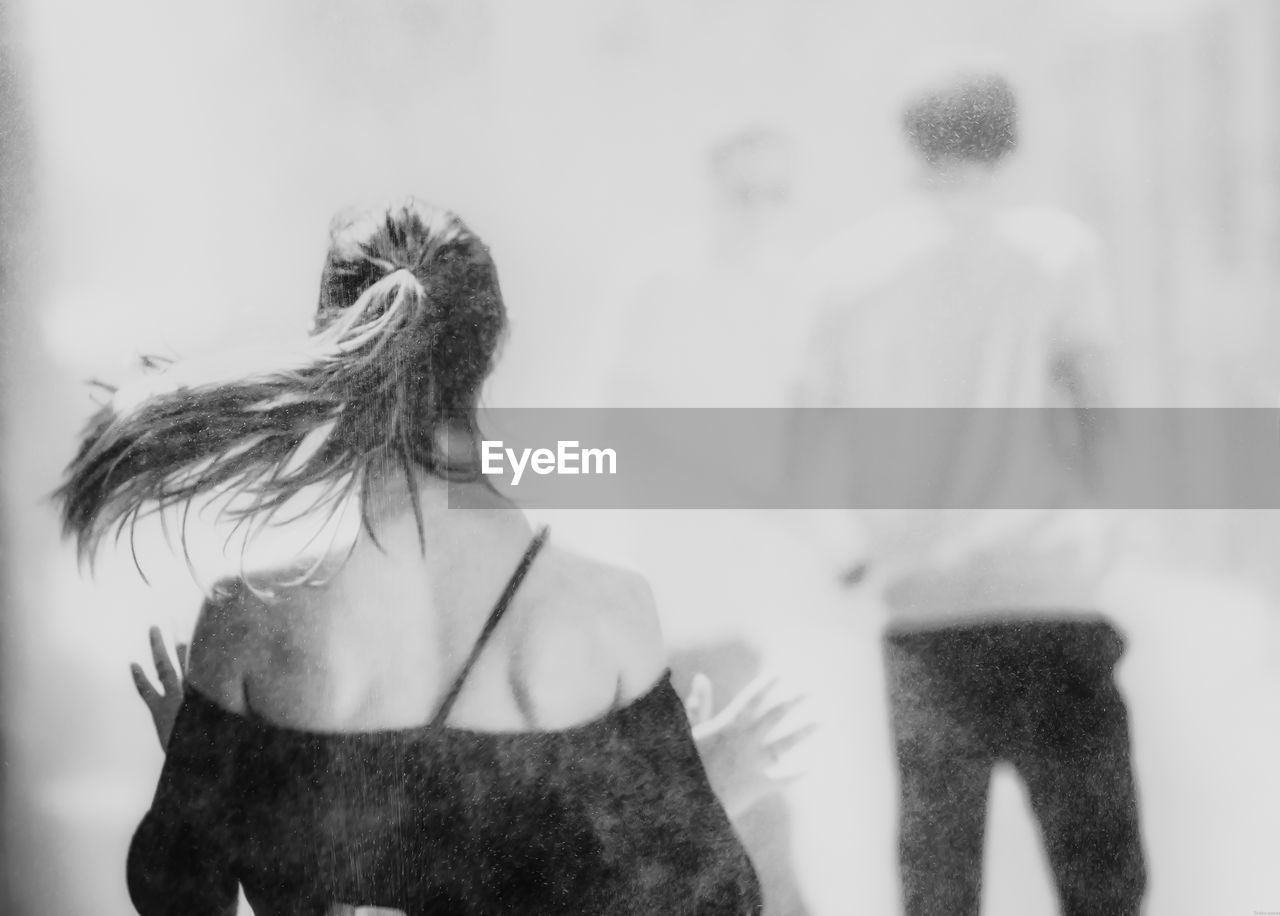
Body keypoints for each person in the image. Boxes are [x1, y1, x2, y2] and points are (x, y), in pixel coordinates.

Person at [57, 199, 768, 915]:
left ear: (330, 347)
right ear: (495, 344)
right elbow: (705, 905)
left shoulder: (249, 624)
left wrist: (203, 768)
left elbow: (182, 898)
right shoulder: (608, 617)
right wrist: (689, 801)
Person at [794, 71, 1146, 915]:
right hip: (1050, 596)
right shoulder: (1060, 251)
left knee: (941, 877)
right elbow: (1102, 414)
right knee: (1101, 879)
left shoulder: (847, 267)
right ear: (1011, 139)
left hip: (924, 615)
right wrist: (1108, 541)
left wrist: (849, 556)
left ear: (910, 141)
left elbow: (810, 439)